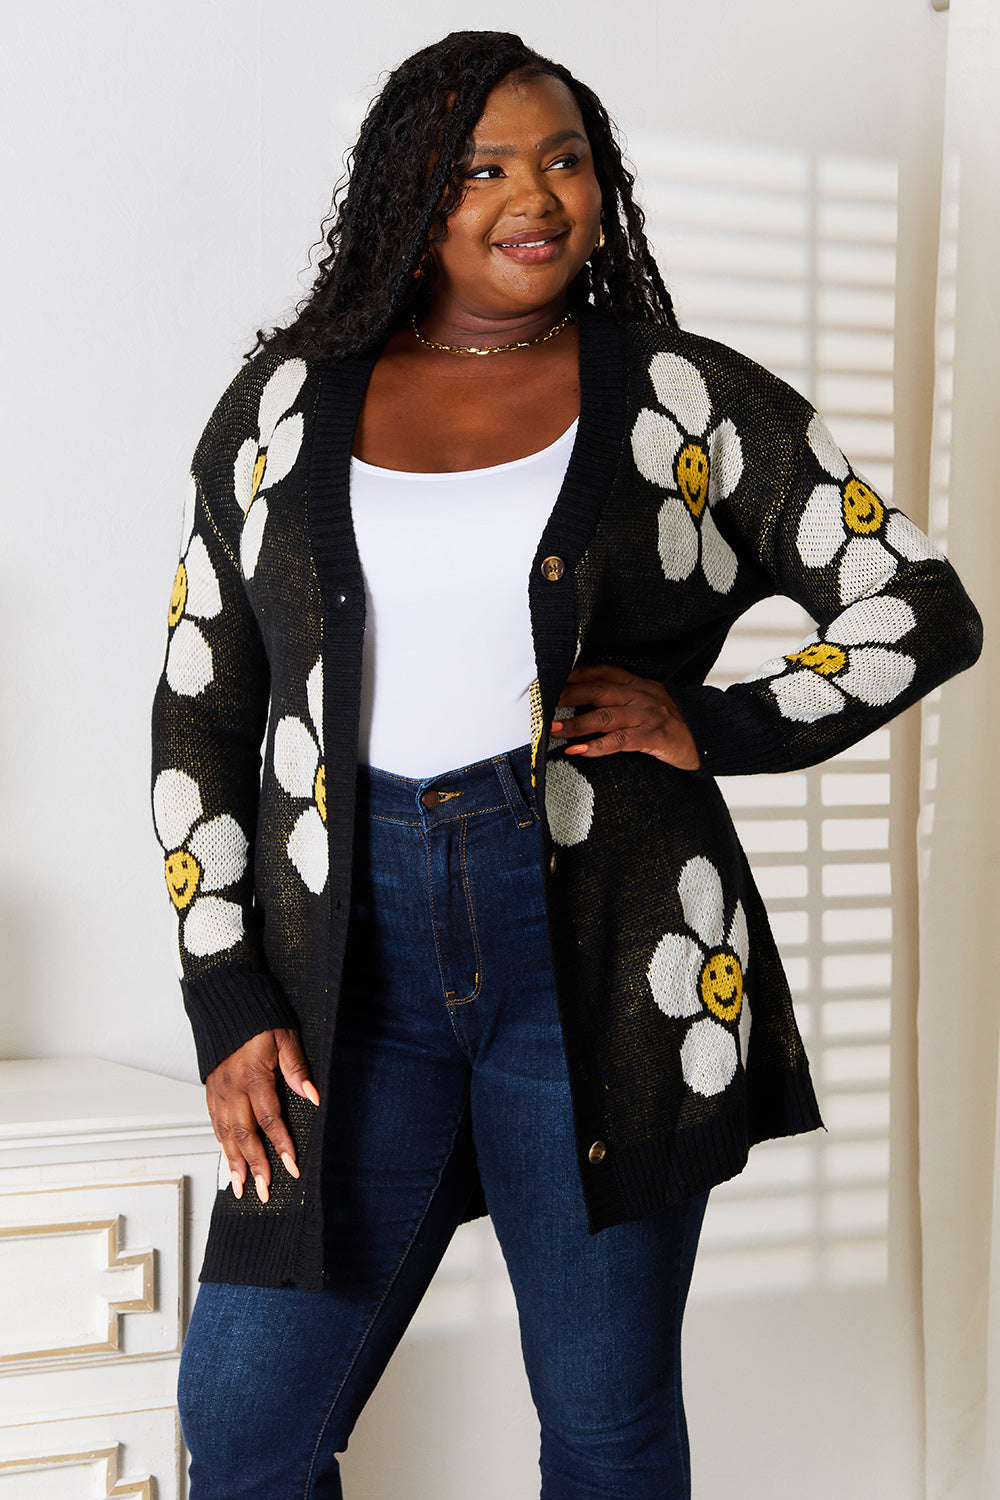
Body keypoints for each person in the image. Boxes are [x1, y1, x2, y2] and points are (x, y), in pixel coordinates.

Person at [152, 29, 982, 1500]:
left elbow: (920, 605)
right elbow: (199, 710)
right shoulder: (286, 407)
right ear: (410, 192)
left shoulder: (679, 398)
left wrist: (706, 721)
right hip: (348, 977)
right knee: (247, 1423)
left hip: (606, 962)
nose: (534, 196)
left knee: (601, 1426)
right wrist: (225, 990)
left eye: (564, 159)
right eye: (482, 167)